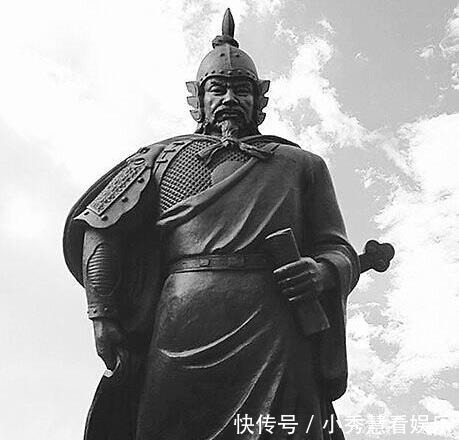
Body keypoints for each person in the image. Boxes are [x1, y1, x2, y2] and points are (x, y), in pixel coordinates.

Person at [63, 9, 360, 440]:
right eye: (217, 88)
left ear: (260, 100)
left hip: (275, 327)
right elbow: (102, 227)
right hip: (181, 325)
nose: (229, 98)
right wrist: (102, 313)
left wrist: (323, 271)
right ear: (198, 99)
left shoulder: (302, 165)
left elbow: (338, 248)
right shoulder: (160, 159)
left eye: (242, 89)